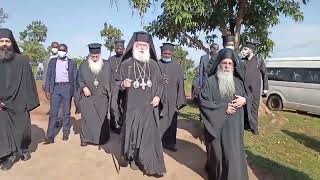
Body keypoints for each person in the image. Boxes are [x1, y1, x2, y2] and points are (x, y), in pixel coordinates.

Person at [199, 48, 258, 180]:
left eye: (230, 63)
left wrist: (245, 100)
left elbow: (249, 96)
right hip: (217, 128)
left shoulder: (238, 81)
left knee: (233, 157)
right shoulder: (210, 82)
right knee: (218, 157)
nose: (227, 66)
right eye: (224, 63)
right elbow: (203, 102)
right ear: (219, 64)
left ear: (233, 66)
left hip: (234, 129)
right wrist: (223, 108)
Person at [117, 31, 165, 176]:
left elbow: (161, 84)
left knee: (148, 136)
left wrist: (158, 96)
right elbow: (116, 83)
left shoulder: (154, 65)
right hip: (132, 108)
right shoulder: (126, 64)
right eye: (139, 45)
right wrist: (122, 84)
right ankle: (132, 157)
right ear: (134, 47)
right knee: (132, 135)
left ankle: (147, 161)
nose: (142, 48)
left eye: (145, 45)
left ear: (149, 47)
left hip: (149, 107)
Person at [0, 28, 40, 170]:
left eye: (7, 41)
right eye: (1, 41)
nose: (4, 44)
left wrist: (26, 103)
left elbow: (28, 82)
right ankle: (9, 155)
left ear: (12, 43)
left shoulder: (22, 60)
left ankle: (23, 149)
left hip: (19, 102)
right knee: (3, 130)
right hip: (1, 104)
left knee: (21, 129)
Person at [76, 43, 112, 147]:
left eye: (97, 56)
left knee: (102, 120)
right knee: (87, 119)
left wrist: (107, 91)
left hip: (102, 97)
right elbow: (79, 79)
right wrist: (83, 87)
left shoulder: (107, 65)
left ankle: (102, 139)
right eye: (93, 57)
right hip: (88, 97)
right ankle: (85, 139)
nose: (95, 58)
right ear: (89, 55)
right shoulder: (83, 65)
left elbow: (111, 80)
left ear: (100, 54)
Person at [44, 44, 77, 144]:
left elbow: (75, 78)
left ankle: (65, 133)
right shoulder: (52, 61)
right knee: (53, 113)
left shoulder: (72, 63)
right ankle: (50, 136)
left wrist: (74, 92)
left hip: (67, 88)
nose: (61, 52)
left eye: (63, 50)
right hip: (55, 88)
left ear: (66, 51)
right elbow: (49, 75)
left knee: (66, 112)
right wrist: (47, 90)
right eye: (59, 50)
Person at [158, 43, 186, 152]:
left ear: (172, 54)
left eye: (169, 53)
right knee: (159, 121)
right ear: (161, 53)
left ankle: (170, 143)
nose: (167, 55)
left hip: (172, 98)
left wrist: (179, 101)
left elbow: (180, 84)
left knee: (171, 122)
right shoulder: (156, 64)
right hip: (159, 98)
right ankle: (158, 143)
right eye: (165, 53)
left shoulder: (177, 66)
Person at [240, 41, 268, 125]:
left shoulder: (259, 61)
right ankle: (245, 124)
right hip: (244, 89)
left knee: (254, 108)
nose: (244, 51)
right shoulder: (242, 61)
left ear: (251, 50)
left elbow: (265, 74)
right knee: (244, 107)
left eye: (245, 49)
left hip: (255, 89)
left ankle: (254, 127)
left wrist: (265, 88)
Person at [109, 39, 125, 133]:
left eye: (121, 48)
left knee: (123, 106)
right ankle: (115, 125)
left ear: (124, 48)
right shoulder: (111, 59)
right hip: (114, 84)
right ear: (115, 49)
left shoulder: (127, 59)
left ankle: (122, 124)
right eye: (117, 48)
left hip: (124, 85)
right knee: (113, 106)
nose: (119, 49)